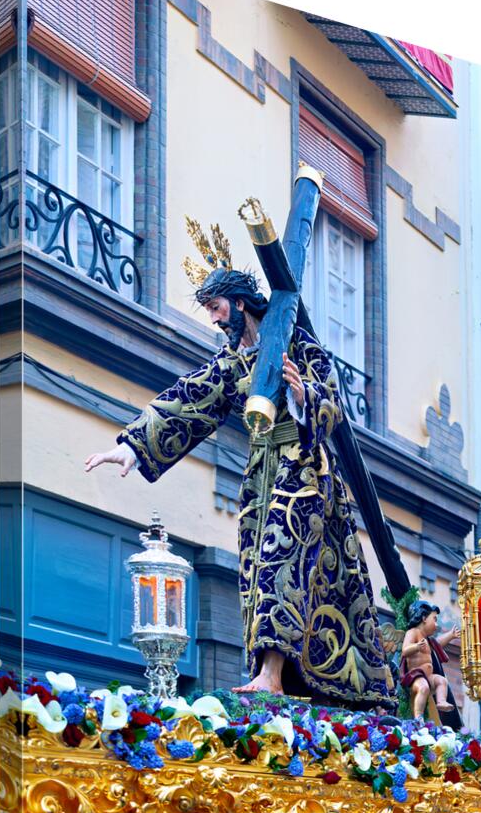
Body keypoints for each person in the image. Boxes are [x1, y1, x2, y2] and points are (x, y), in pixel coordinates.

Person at [85, 223, 397, 711]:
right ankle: (267, 671)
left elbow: (332, 403)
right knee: (255, 570)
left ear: (238, 301)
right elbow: (189, 399)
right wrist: (133, 446)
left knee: (280, 559)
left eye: (215, 308)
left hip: (304, 469)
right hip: (262, 471)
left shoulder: (294, 339)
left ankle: (273, 674)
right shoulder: (232, 360)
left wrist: (301, 394)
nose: (213, 319)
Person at [400, 600, 461, 719]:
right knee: (424, 688)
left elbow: (438, 643)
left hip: (428, 676)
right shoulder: (413, 632)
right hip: (415, 677)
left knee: (442, 680)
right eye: (434, 619)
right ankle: (418, 718)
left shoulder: (428, 640)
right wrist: (416, 647)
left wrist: (450, 635)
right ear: (424, 618)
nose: (436, 625)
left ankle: (441, 701)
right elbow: (405, 650)